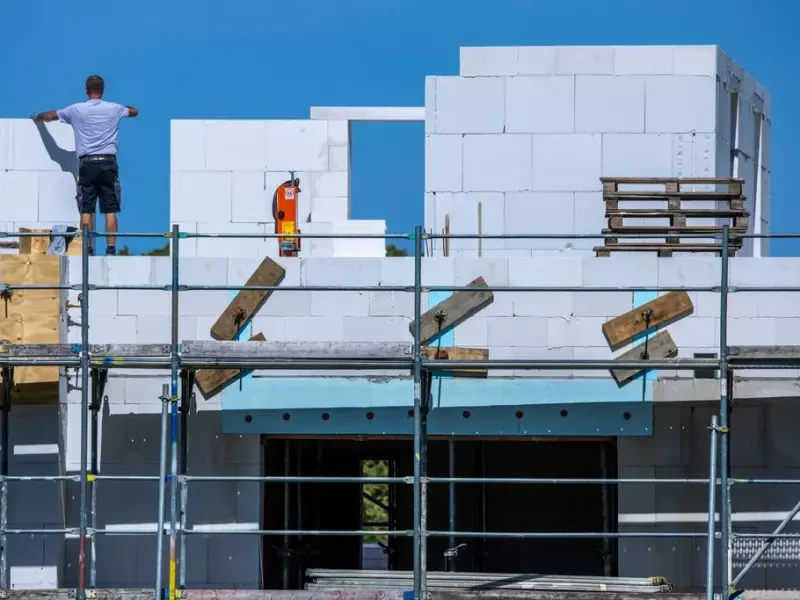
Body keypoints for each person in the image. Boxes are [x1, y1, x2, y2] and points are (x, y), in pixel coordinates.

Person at [33, 75, 138, 255]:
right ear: (103, 90)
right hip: (108, 163)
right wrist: (125, 109)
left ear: (86, 90)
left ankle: (88, 249)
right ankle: (111, 249)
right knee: (110, 209)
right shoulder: (113, 108)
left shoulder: (77, 109)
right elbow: (134, 112)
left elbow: (52, 116)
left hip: (87, 164)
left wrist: (38, 118)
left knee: (86, 210)